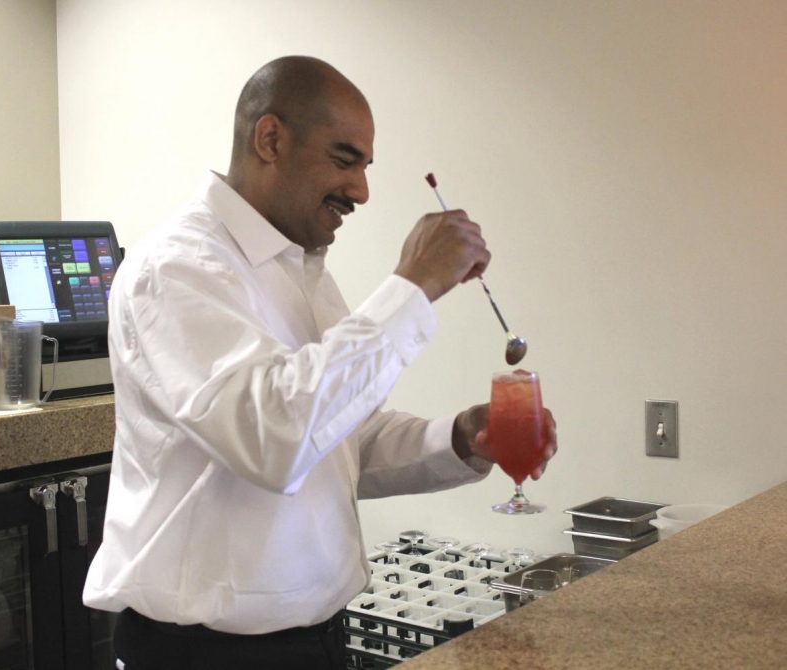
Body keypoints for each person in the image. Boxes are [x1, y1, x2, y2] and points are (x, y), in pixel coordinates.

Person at [83, 55, 557, 669]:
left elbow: (336, 442)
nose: (361, 190)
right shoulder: (175, 268)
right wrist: (411, 287)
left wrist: (462, 438)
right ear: (270, 139)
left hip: (316, 643)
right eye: (345, 159)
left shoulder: (299, 269)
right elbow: (274, 438)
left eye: (365, 165)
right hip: (200, 655)